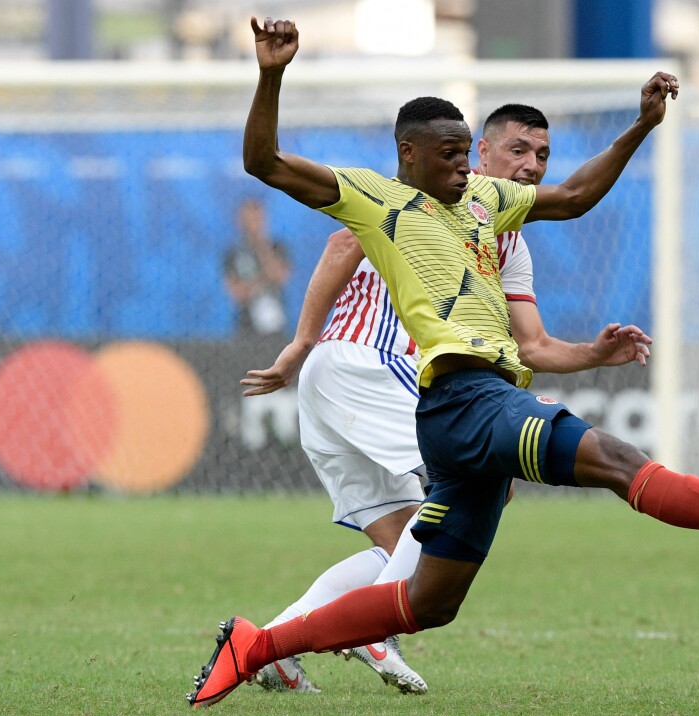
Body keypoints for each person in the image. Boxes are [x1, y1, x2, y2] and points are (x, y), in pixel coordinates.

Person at [187, 17, 699, 708]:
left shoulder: (488, 203)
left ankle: (258, 644)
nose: (461, 167)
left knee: (425, 602)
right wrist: (271, 74)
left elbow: (571, 198)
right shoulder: (376, 199)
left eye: (464, 155)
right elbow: (264, 162)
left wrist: (637, 129)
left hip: (463, 418)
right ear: (410, 154)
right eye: (450, 155)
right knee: (619, 461)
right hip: (465, 402)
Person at [240, 102, 653, 696]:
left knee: (406, 538)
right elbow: (339, 245)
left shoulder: (506, 240)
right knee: (488, 477)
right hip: (368, 365)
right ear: (479, 154)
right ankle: (375, 626)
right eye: (518, 151)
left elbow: (531, 345)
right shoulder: (415, 198)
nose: (532, 166)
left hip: (343, 387)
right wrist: (301, 342)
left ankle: (272, 646)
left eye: (542, 156)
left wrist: (592, 353)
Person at [223, 197, 291, 336]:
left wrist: (261, 245)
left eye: (257, 219)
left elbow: (279, 277)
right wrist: (259, 286)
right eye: (249, 220)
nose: (253, 225)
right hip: (246, 324)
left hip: (275, 321)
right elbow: (236, 293)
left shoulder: (277, 248)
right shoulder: (234, 253)